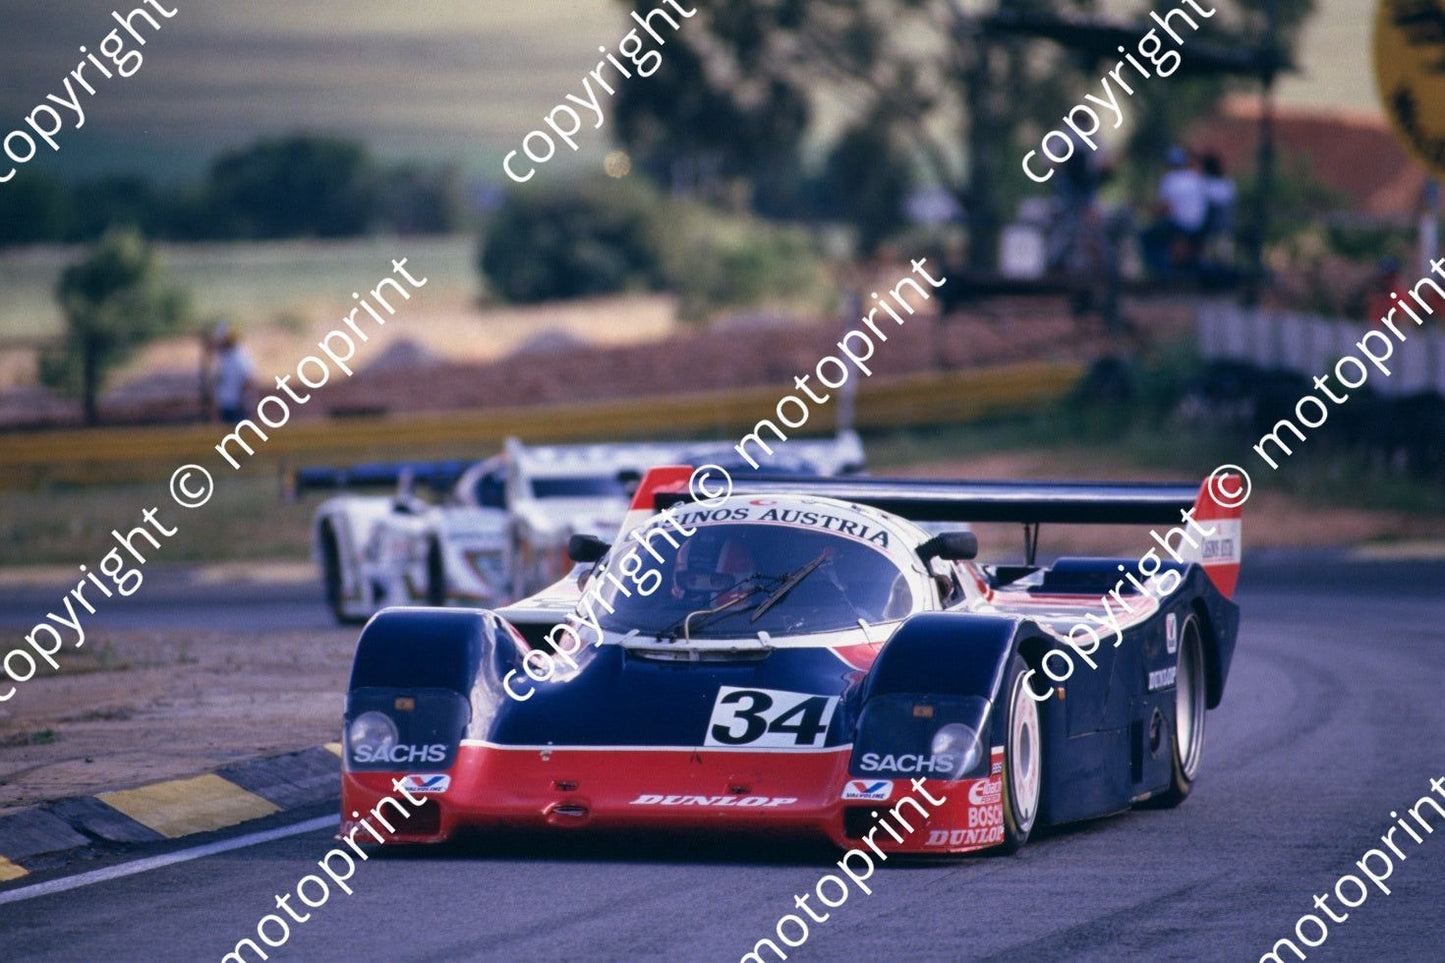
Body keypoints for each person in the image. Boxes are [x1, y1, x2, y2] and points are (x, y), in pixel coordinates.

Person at [1142, 146, 1208, 278]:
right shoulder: (1195, 178)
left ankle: (1163, 272)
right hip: (1198, 226)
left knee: (1147, 237)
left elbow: (1165, 209)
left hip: (1179, 225)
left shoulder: (1170, 179)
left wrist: (1146, 210)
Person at [211, 322, 256, 423]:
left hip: (237, 408)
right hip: (226, 406)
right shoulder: (225, 357)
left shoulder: (240, 358)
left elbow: (248, 381)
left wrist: (241, 401)